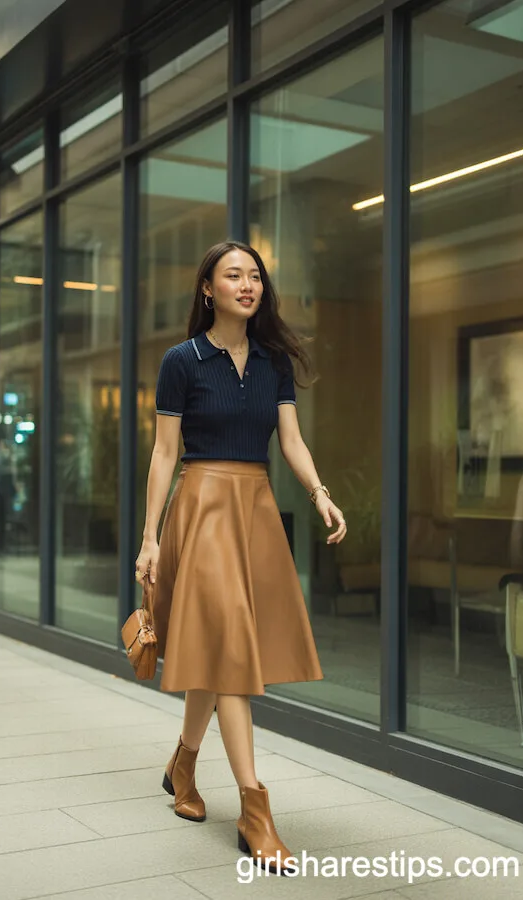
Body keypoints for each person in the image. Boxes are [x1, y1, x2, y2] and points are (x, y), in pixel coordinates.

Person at [134, 240, 347, 875]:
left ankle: (183, 764)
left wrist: (319, 493)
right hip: (200, 507)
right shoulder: (182, 360)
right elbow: (164, 454)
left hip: (253, 508)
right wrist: (150, 539)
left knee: (221, 649)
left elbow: (290, 437)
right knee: (229, 650)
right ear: (208, 288)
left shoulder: (276, 361)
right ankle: (256, 810)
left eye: (255, 275)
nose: (247, 284)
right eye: (233, 275)